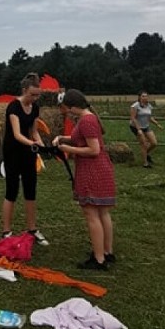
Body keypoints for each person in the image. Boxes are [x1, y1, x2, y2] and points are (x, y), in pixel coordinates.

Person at [53, 89, 116, 270]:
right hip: (100, 170)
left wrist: (68, 149)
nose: (66, 111)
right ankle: (106, 252)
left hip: (92, 171)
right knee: (103, 213)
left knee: (92, 215)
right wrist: (62, 138)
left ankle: (98, 260)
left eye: (66, 107)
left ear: (73, 106)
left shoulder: (87, 121)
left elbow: (93, 149)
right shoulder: (88, 118)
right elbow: (78, 138)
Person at [1, 72, 49, 246]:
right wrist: (33, 144)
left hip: (28, 152)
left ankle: (32, 229)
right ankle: (6, 232)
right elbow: (17, 134)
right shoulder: (13, 107)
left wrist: (43, 146)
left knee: (30, 190)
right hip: (13, 152)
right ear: (24, 91)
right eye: (32, 94)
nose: (35, 98)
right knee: (11, 191)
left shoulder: (35, 108)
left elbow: (34, 131)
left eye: (38, 95)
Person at [129, 91, 163, 168]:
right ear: (139, 97)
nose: (145, 97)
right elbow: (133, 118)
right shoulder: (135, 106)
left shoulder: (149, 106)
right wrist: (139, 130)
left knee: (154, 143)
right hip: (136, 127)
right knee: (143, 144)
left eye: (146, 96)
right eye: (143, 96)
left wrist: (157, 124)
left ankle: (145, 154)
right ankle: (145, 163)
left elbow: (149, 117)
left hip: (146, 126)